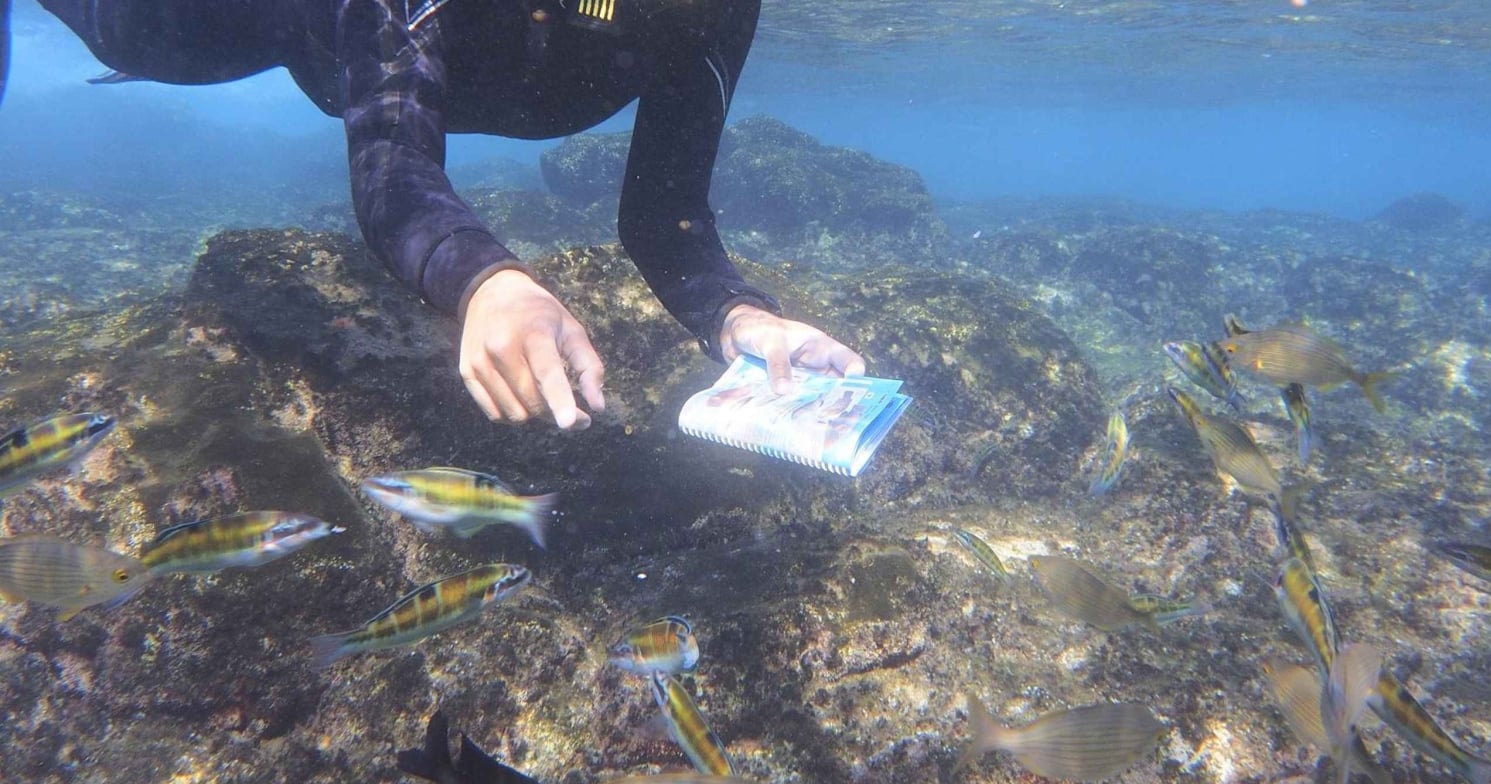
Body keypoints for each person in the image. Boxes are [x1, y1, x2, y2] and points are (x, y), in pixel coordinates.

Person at [10, 0, 865, 430]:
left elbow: (664, 213)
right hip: (281, 24)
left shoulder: (711, 10)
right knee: (130, 32)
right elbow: (392, 159)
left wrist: (738, 315)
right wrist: (486, 281)